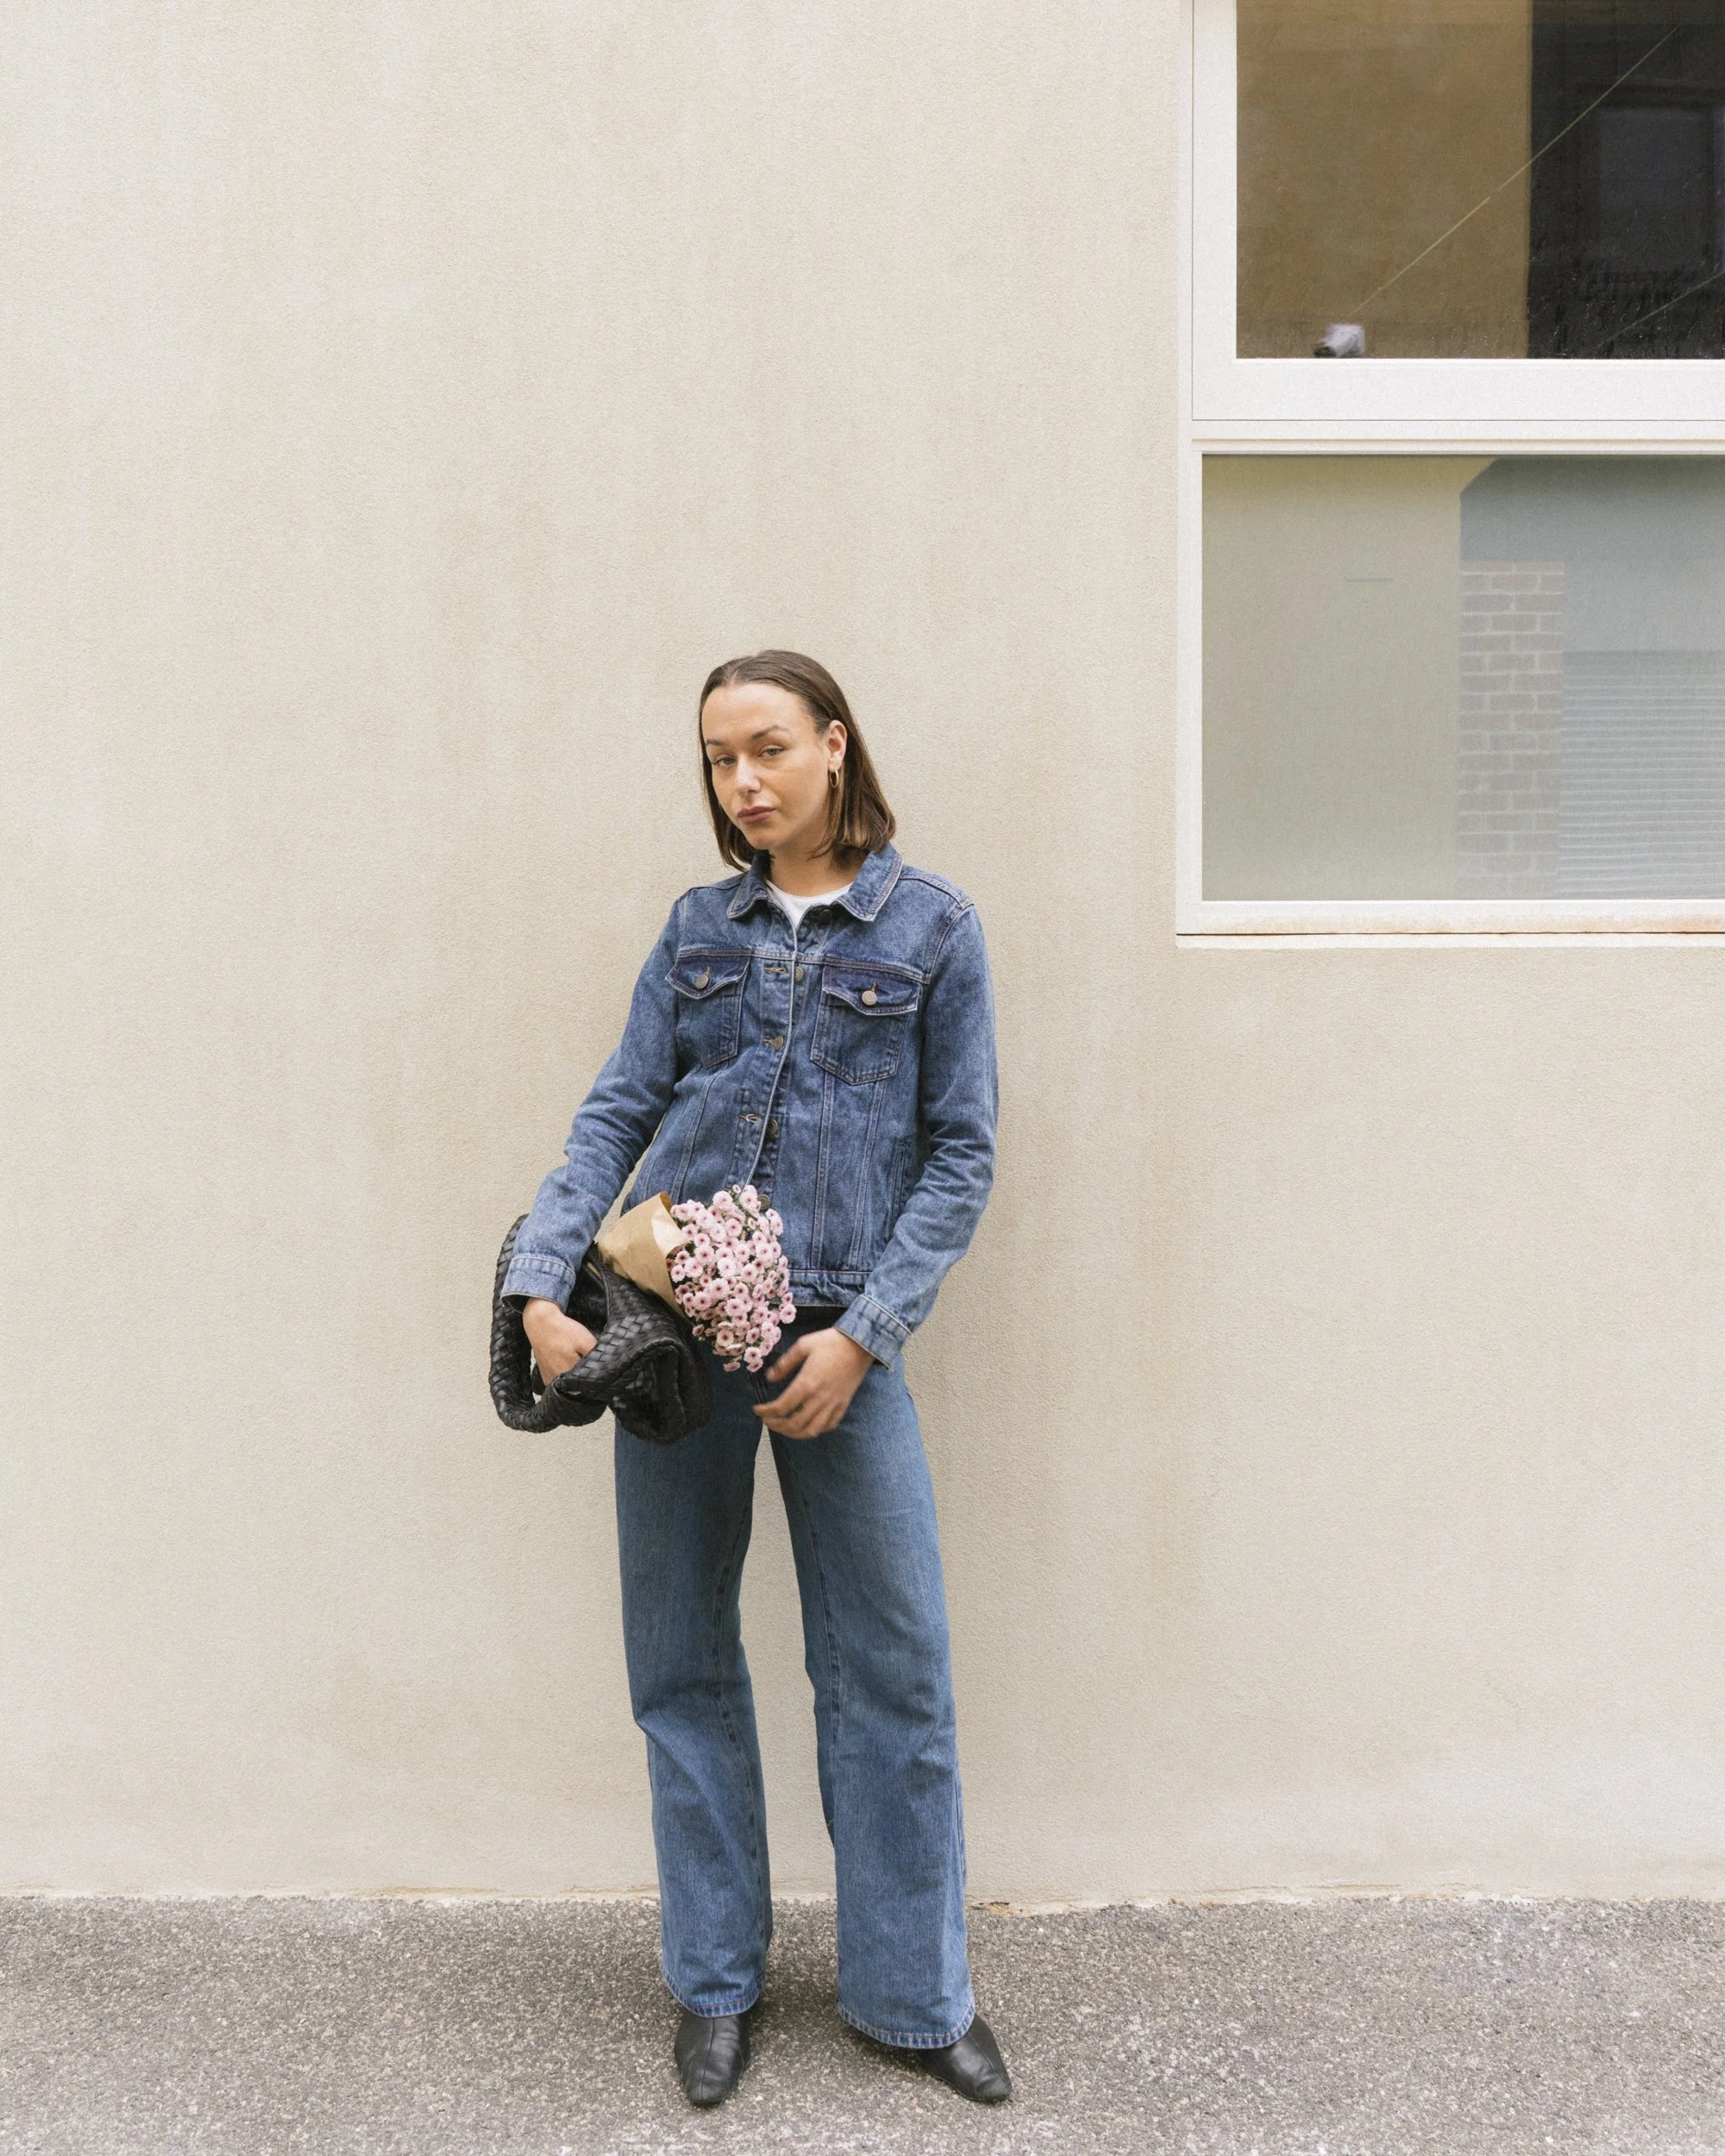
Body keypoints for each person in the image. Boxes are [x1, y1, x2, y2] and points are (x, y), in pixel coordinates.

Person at [507, 651, 1006, 2108]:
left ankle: (913, 1997)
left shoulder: (932, 933)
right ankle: (714, 1984)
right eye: (722, 760)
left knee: (891, 1671)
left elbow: (962, 1153)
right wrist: (545, 1281)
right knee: (679, 1663)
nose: (746, 781)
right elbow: (617, 1109)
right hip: (672, 1341)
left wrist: (867, 1337)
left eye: (770, 748)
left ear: (835, 746)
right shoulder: (695, 931)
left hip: (840, 1340)